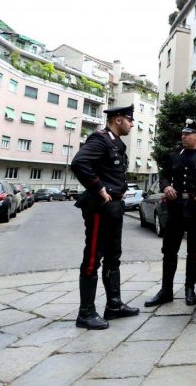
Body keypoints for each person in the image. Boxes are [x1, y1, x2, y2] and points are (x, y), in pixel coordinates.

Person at [71, 105, 140, 330]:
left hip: (115, 206)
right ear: (118, 120)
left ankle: (114, 305)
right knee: (93, 256)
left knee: (113, 256)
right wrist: (98, 188)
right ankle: (86, 313)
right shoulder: (100, 139)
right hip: (101, 206)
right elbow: (79, 162)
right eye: (130, 120)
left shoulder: (116, 143)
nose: (132, 124)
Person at [146, 119, 196, 307]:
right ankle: (166, 291)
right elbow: (164, 176)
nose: (183, 137)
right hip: (175, 209)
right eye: (182, 134)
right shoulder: (174, 155)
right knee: (169, 250)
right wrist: (165, 188)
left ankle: (190, 289)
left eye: (187, 134)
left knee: (194, 251)